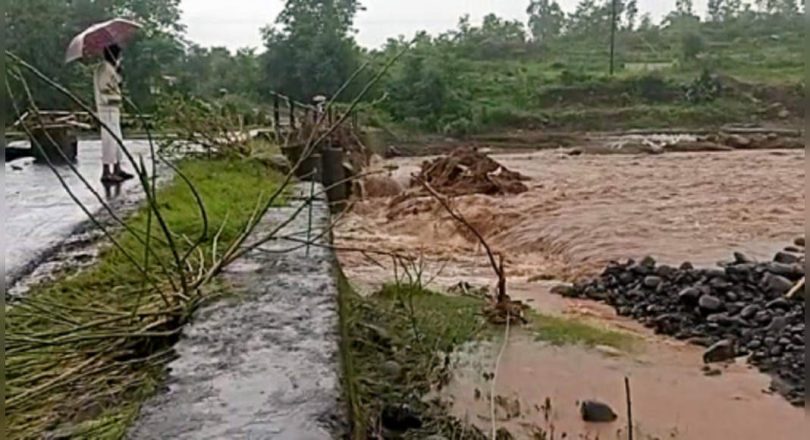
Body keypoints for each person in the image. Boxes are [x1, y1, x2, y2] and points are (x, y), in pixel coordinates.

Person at [94, 44, 133, 183]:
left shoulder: (110, 68)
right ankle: (106, 171)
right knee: (109, 139)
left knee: (117, 138)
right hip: (106, 108)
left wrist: (117, 74)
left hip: (113, 107)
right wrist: (115, 80)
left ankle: (117, 167)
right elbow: (105, 87)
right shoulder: (104, 68)